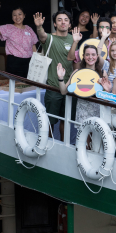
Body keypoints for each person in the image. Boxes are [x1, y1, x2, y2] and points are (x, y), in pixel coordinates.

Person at [34, 10, 76, 140]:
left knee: (66, 120)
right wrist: (39, 27)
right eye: (59, 20)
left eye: (66, 20)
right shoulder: (50, 38)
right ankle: (48, 145)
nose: (63, 22)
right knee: (50, 121)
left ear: (69, 24)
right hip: (53, 87)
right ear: (54, 24)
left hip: (69, 87)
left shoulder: (74, 38)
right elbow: (42, 36)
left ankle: (63, 146)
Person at [57, 43, 104, 126]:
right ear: (83, 56)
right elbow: (64, 91)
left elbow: (106, 94)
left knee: (97, 137)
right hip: (82, 110)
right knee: (83, 137)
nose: (90, 57)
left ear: (97, 56)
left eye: (93, 54)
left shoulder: (102, 73)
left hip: (99, 110)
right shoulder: (76, 72)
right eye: (87, 54)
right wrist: (60, 78)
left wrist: (104, 86)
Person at [0, 1, 38, 78]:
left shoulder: (29, 29)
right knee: (14, 87)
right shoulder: (8, 28)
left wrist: (37, 62)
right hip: (14, 62)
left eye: (20, 14)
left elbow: (33, 47)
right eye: (14, 15)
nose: (17, 17)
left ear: (24, 15)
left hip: (29, 62)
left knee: (29, 87)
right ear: (12, 17)